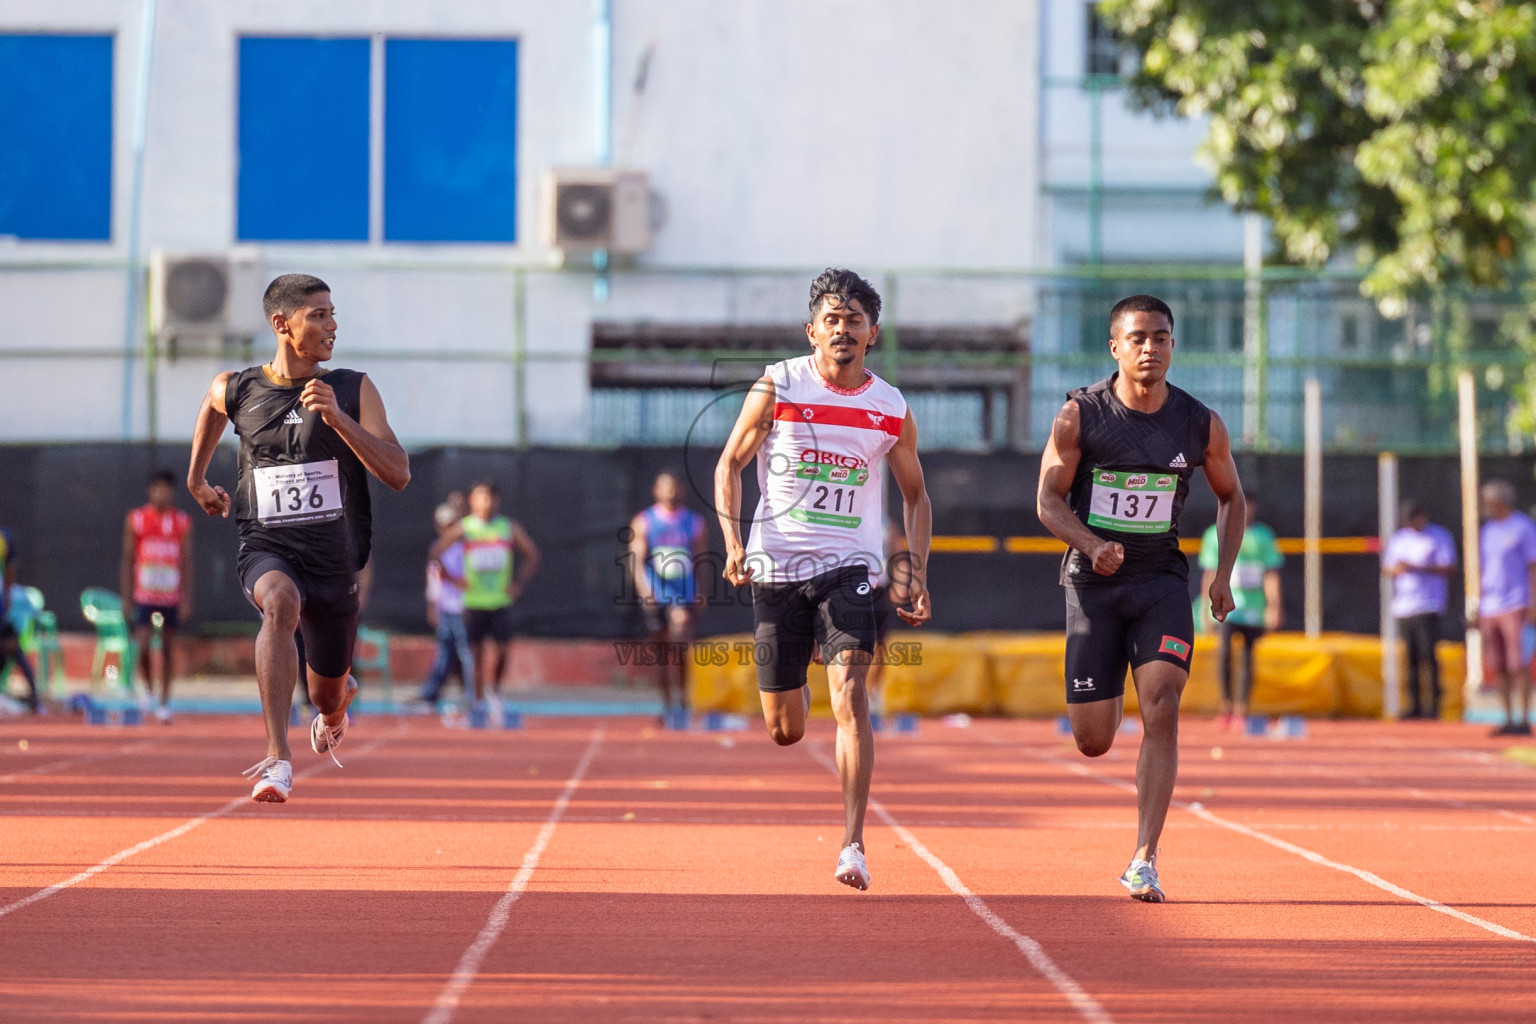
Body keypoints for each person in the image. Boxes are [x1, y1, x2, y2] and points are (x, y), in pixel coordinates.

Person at [715, 268, 933, 891]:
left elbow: (916, 496)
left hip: (851, 567)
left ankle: (853, 844)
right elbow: (730, 463)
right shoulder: (779, 384)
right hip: (779, 565)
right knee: (785, 729)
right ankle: (807, 653)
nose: (842, 331)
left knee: (851, 694)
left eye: (854, 321)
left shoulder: (889, 407)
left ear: (872, 334)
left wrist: (913, 569)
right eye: (832, 321)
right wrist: (733, 541)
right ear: (812, 331)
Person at [1037, 293, 1244, 903]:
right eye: (1137, 339)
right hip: (1092, 585)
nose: (1149, 349)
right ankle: (1105, 682)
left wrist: (1222, 573)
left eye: (1160, 338)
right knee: (1094, 739)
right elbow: (1047, 501)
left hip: (1161, 583)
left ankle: (1144, 857)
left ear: (1173, 346)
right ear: (1115, 347)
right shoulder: (1079, 416)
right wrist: (1089, 542)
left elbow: (1232, 497)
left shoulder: (1199, 423)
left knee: (1163, 702)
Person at [186, 273, 410, 802]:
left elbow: (399, 472)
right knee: (279, 605)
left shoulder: (353, 389)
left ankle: (338, 701)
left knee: (326, 692)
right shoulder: (239, 388)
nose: (332, 326)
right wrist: (196, 480)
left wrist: (338, 419)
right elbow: (213, 403)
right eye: (319, 315)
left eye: (333, 314)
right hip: (266, 546)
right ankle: (277, 758)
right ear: (282, 325)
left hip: (333, 562)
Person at [431, 482, 540, 714]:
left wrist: (518, 584)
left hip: (499, 600)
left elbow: (532, 554)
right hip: (473, 601)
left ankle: (496, 691)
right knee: (475, 654)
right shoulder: (465, 527)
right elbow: (436, 553)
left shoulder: (508, 527)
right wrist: (453, 579)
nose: (486, 503)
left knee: (502, 650)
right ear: (472, 500)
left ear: (497, 500)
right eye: (480, 497)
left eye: (490, 498)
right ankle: (478, 701)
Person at [628, 470, 708, 720]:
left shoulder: (694, 522)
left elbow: (702, 559)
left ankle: (683, 701)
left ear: (681, 490)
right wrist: (644, 591)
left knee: (680, 640)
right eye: (665, 487)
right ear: (656, 490)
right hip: (656, 592)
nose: (670, 492)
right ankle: (668, 705)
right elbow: (636, 560)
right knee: (662, 652)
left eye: (674, 487)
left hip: (682, 593)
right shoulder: (644, 521)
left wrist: (702, 591)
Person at [1198, 493, 1282, 729]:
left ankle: (1241, 709)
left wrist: (1274, 607)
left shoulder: (1263, 536)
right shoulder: (1213, 535)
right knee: (1224, 653)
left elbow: (1271, 574)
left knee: (1247, 657)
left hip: (1253, 607)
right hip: (1226, 606)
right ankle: (1225, 706)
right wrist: (1206, 608)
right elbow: (1208, 574)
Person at [119, 469, 193, 723]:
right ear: (150, 491)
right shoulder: (137, 519)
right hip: (144, 595)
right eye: (157, 488)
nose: (161, 493)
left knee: (168, 648)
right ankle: (149, 690)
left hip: (170, 597)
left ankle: (164, 702)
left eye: (166, 488)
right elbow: (128, 559)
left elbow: (186, 561)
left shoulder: (181, 522)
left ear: (172, 492)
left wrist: (185, 598)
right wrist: (127, 598)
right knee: (142, 645)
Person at [1383, 499, 1456, 720]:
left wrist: (1418, 567)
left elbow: (1449, 566)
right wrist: (1399, 569)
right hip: (1405, 606)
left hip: (1428, 604)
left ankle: (1433, 705)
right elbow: (1388, 568)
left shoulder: (1439, 536)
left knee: (1428, 654)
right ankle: (1413, 705)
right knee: (1411, 657)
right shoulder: (1400, 538)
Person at [1474, 480, 1536, 736]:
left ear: (1500, 501)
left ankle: (1523, 719)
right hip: (1491, 606)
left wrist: (1533, 603)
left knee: (1518, 664)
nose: (1485, 506)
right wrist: (1478, 603)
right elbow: (1484, 569)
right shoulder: (1487, 530)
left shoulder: (1523, 527)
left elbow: (1533, 566)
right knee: (1498, 665)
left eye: (1488, 501)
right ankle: (1507, 717)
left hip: (1516, 602)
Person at [419, 500, 475, 708]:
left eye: (450, 524)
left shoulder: (465, 546)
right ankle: (432, 692)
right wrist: (432, 606)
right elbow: (434, 579)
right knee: (445, 653)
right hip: (445, 608)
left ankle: (472, 695)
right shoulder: (437, 548)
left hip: (462, 606)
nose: (446, 529)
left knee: (465, 653)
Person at [0, 525, 40, 713]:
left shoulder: (4, 537)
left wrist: (7, 601)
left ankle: (34, 697)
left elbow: (9, 574)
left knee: (12, 647)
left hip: (1, 607)